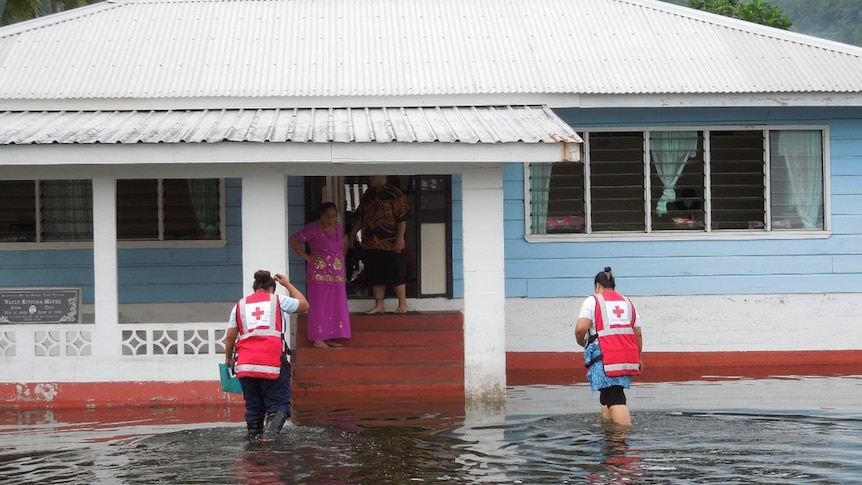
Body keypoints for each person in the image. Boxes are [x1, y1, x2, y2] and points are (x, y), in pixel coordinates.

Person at [224, 270, 309, 441]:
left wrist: (228, 359)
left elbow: (230, 337)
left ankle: (253, 445)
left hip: (246, 364)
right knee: (279, 407)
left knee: (254, 408)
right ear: (272, 289)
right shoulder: (277, 300)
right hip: (272, 361)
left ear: (255, 287)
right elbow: (304, 304)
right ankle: (270, 440)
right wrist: (287, 284)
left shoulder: (240, 305)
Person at [574, 267, 643, 426]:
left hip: (607, 356)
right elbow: (638, 334)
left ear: (597, 286)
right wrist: (639, 358)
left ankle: (622, 438)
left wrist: (582, 342)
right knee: (607, 393)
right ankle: (609, 432)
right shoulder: (628, 302)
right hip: (627, 356)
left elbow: (580, 329)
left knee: (614, 395)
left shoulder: (593, 300)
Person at [289, 202, 352, 349]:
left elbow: (342, 244)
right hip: (319, 274)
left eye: (333, 217)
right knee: (320, 305)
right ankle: (318, 338)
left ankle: (329, 336)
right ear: (321, 215)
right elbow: (293, 240)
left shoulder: (337, 226)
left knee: (335, 304)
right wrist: (307, 257)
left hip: (336, 274)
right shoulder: (313, 228)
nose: (330, 220)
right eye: (327, 216)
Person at [348, 175, 412, 314]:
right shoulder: (367, 195)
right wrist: (353, 233)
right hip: (370, 242)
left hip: (390, 241)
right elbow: (361, 217)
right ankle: (379, 305)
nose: (371, 178)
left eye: (375, 176)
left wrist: (400, 238)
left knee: (396, 272)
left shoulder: (395, 194)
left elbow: (402, 218)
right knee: (375, 274)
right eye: (371, 176)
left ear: (384, 177)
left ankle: (402, 304)